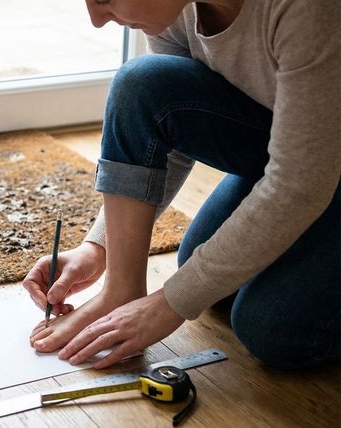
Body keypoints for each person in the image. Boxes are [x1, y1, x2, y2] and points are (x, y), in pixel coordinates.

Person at [23, 0, 340, 370]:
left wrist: (169, 304)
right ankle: (120, 292)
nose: (96, 20)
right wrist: (98, 247)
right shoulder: (177, 10)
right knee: (143, 84)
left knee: (271, 329)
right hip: (302, 148)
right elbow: (169, 131)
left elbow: (299, 183)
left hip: (315, 164)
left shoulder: (309, 8)